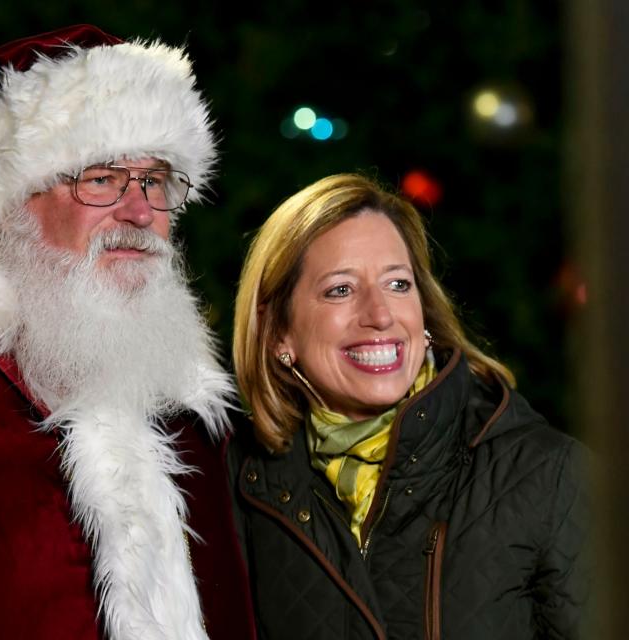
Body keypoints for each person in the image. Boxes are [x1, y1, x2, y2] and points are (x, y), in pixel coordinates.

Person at [0, 24, 255, 640]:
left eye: (154, 181)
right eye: (99, 179)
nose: (140, 211)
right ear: (10, 208)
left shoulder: (197, 419)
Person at [228, 173, 590, 639]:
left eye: (398, 284)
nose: (380, 315)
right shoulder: (242, 484)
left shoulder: (549, 473)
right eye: (340, 289)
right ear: (279, 333)